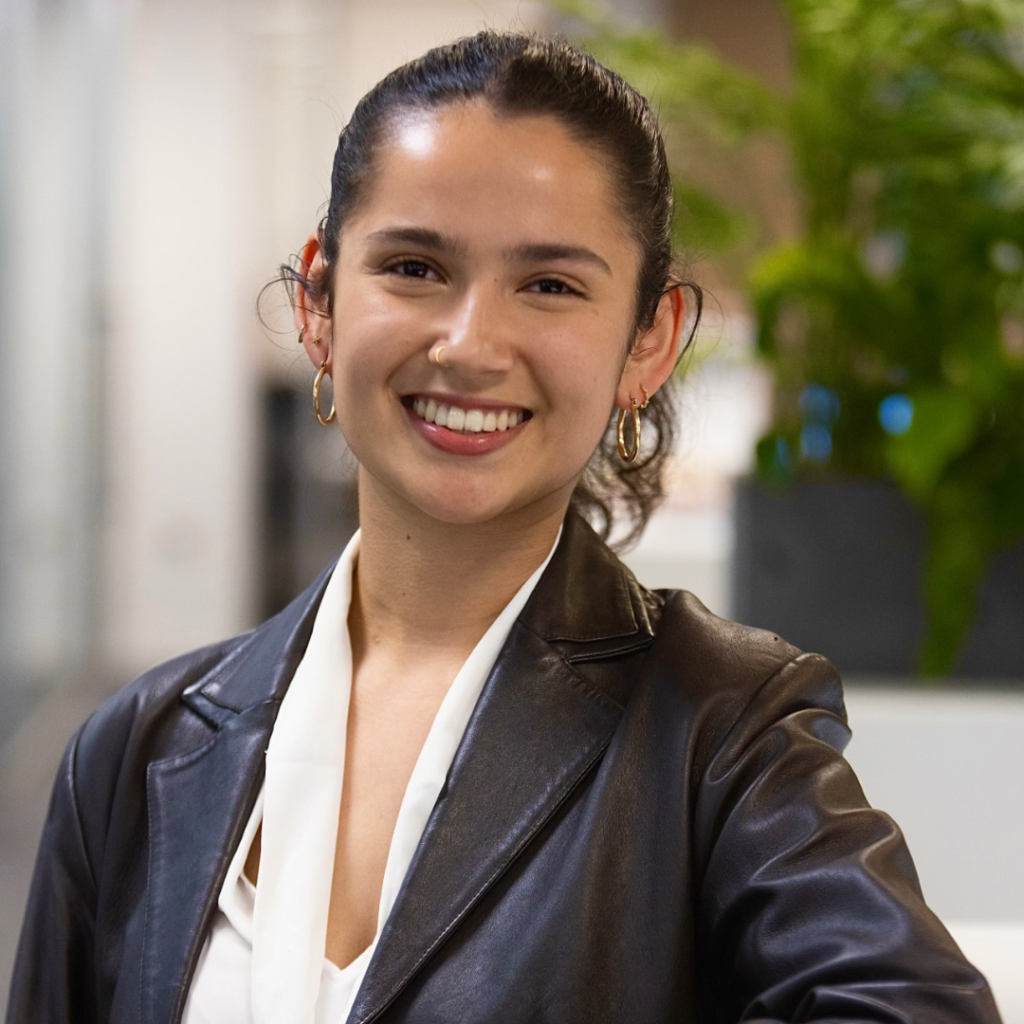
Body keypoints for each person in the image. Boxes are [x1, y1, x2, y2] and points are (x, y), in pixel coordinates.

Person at [5, 30, 1002, 1024]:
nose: (470, 344)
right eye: (413, 266)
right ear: (320, 299)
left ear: (647, 342)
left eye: (550, 286)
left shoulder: (721, 731)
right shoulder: (137, 752)